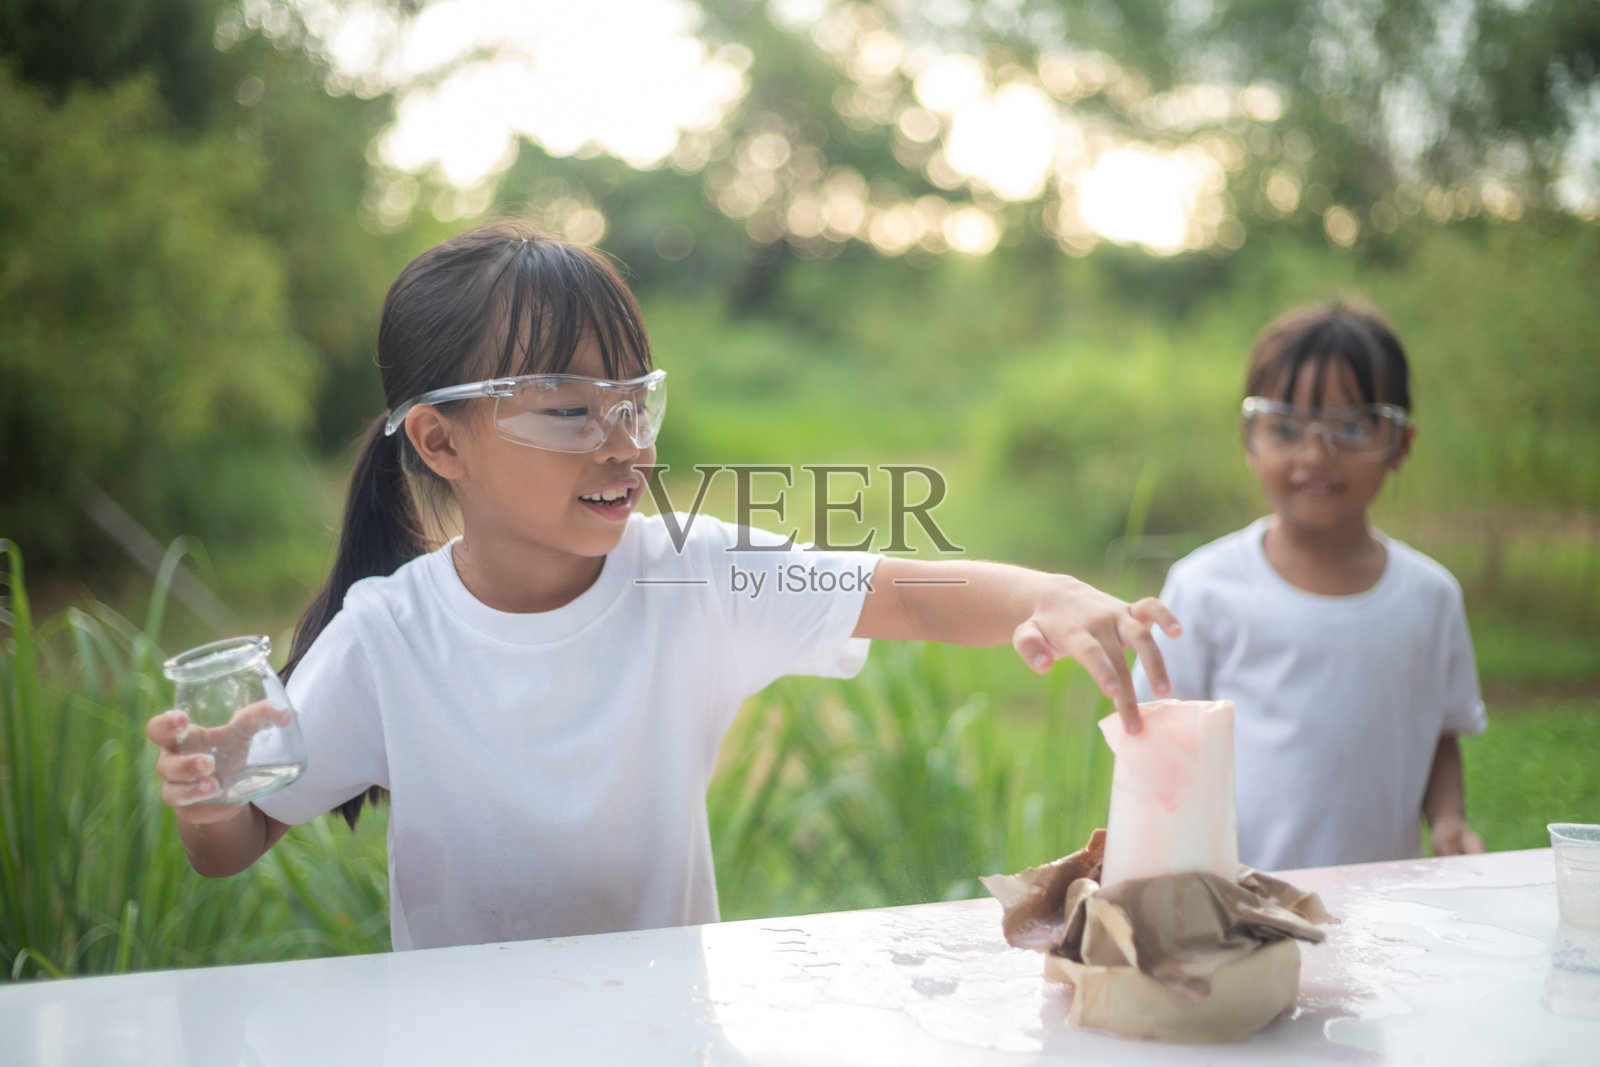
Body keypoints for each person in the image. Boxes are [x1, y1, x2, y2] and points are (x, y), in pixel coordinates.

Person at [145, 221, 1180, 951]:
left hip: (669, 1026)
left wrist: (1045, 590)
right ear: (438, 439)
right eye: (569, 411)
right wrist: (206, 793)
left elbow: (901, 591)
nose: (624, 444)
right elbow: (240, 839)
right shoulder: (387, 635)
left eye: (635, 403)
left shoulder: (691, 570)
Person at [1133, 301, 1487, 871]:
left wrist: (1447, 822)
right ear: (1251, 439)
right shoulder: (1204, 589)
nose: (1315, 456)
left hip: (1383, 907)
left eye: (1350, 428)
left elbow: (1440, 730)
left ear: (1398, 443)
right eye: (1286, 428)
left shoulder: (1430, 598)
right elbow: (1158, 743)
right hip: (1240, 908)